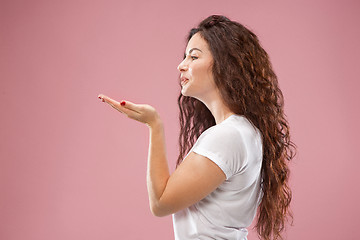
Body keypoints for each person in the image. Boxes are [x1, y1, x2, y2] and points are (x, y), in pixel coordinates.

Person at [98, 15, 296, 240]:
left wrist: (154, 124)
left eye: (193, 57)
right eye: (185, 57)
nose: (181, 65)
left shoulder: (227, 136)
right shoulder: (246, 131)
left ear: (225, 65)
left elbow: (161, 202)